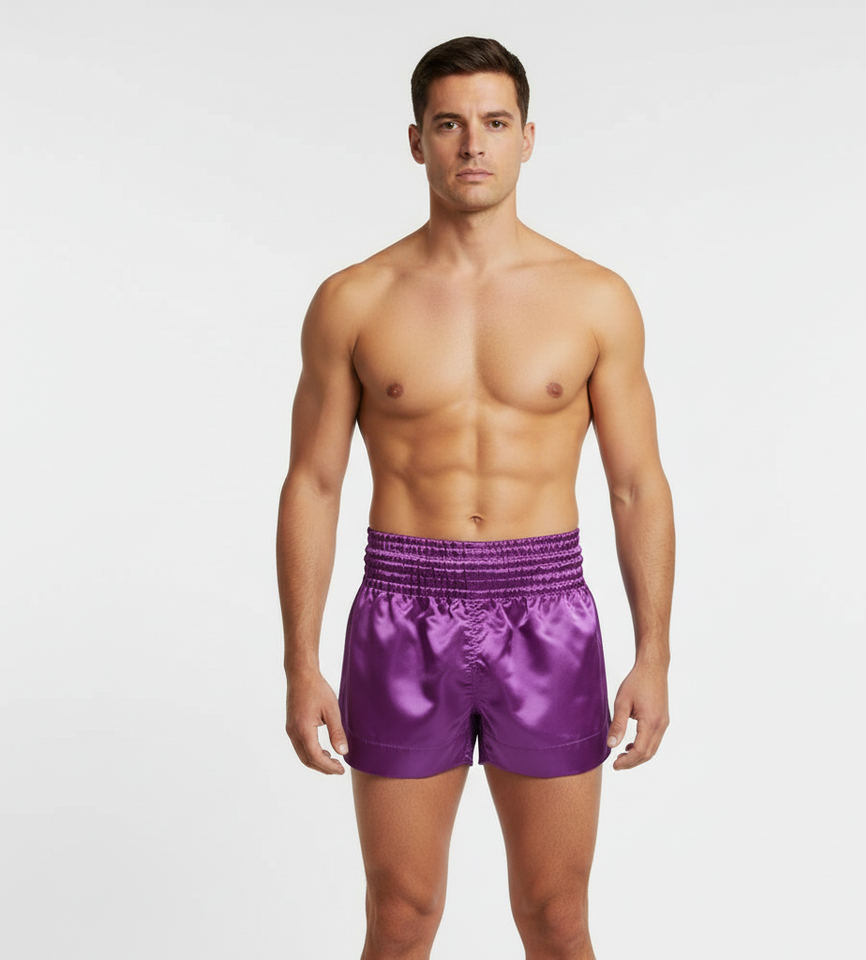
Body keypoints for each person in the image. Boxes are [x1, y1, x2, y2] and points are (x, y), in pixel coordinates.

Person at [277, 36, 675, 960]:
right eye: (450, 124)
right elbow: (315, 483)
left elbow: (635, 485)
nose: (473, 145)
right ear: (417, 141)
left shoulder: (595, 298)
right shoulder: (354, 299)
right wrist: (300, 662)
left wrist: (654, 654)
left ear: (527, 138)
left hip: (547, 611)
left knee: (556, 917)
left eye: (495, 123)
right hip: (401, 609)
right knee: (401, 916)